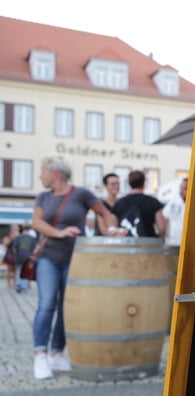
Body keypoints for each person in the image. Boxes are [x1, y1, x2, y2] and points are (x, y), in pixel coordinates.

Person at [31, 156, 126, 380]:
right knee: (46, 304)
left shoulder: (81, 194)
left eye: (42, 172)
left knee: (68, 307)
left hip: (77, 259)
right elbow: (37, 223)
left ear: (55, 174)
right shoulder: (43, 197)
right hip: (48, 258)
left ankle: (56, 352)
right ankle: (40, 355)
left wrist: (111, 229)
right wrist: (60, 233)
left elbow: (104, 213)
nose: (40, 176)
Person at [112, 170, 166, 238]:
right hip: (148, 243)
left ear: (129, 183)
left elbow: (113, 228)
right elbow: (162, 228)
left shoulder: (119, 203)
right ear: (144, 183)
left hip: (126, 242)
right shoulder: (153, 202)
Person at [11, 225, 37, 293]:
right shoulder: (32, 238)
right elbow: (34, 250)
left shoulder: (18, 237)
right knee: (26, 272)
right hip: (28, 257)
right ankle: (24, 287)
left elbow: (14, 249)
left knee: (18, 271)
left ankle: (18, 285)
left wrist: (16, 255)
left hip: (19, 256)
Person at [162, 178, 187, 247]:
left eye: (184, 189)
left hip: (186, 245)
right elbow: (164, 218)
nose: (181, 192)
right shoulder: (174, 201)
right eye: (181, 188)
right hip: (171, 244)